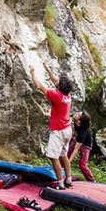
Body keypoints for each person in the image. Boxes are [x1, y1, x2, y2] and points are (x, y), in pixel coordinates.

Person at [29, 62, 73, 190]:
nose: (57, 82)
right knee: (64, 155)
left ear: (59, 87)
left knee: (54, 157)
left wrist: (32, 72)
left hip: (58, 131)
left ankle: (60, 184)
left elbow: (39, 86)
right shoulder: (67, 95)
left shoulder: (57, 96)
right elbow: (57, 82)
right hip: (67, 130)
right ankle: (68, 180)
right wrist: (48, 70)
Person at [68, 110, 96, 182]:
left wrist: (69, 162)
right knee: (66, 155)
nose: (76, 113)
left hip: (86, 145)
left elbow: (76, 150)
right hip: (77, 139)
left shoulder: (84, 132)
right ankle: (59, 172)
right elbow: (74, 130)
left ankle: (92, 181)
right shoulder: (75, 121)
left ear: (79, 121)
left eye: (78, 114)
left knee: (82, 164)